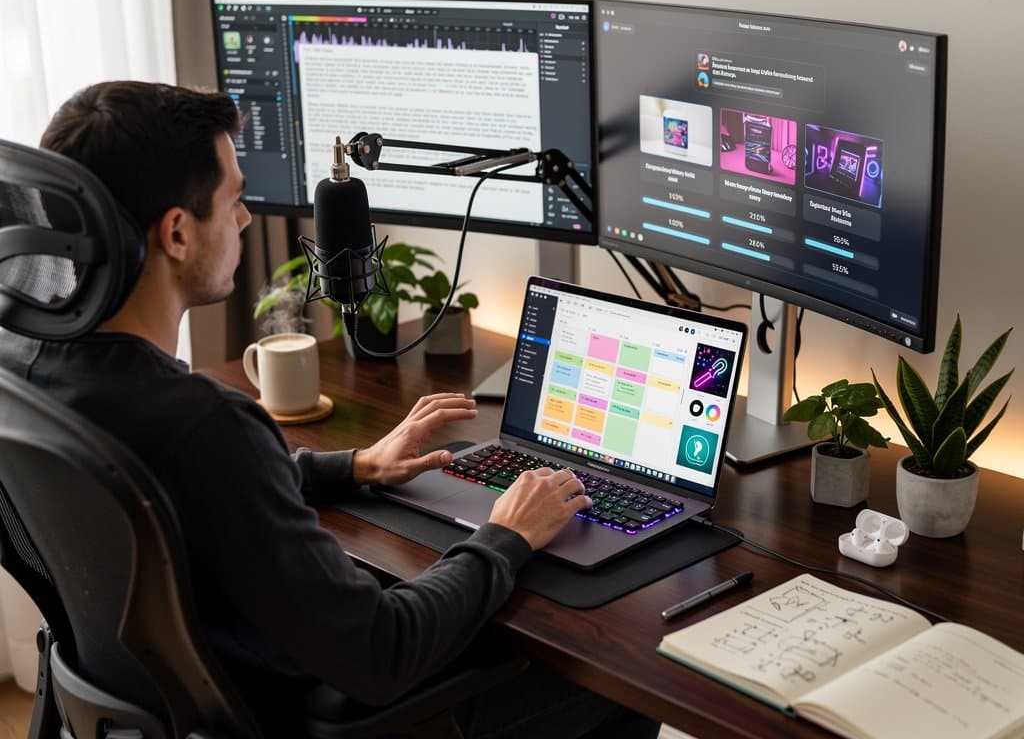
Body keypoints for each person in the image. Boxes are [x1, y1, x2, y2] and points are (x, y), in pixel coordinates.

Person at [0, 81, 660, 738]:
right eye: (234, 199)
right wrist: (505, 536)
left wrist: (352, 468)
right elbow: (383, 652)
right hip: (304, 716)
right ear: (176, 232)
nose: (247, 219)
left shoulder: (28, 369)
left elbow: (184, 492)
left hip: (173, 707)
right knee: (617, 677)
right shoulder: (203, 423)